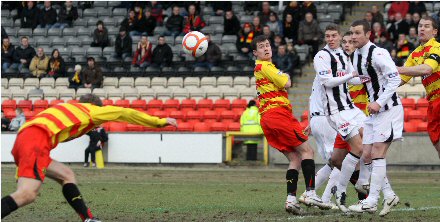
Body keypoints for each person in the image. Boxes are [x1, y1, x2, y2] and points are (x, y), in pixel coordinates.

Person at [1, 93, 178, 221]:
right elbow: (124, 113)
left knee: (66, 175)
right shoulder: (92, 111)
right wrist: (158, 121)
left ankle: (88, 219)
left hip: (24, 138)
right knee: (27, 194)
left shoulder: (64, 107)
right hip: (36, 140)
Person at [252, 35, 330, 214]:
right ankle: (310, 192)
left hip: (268, 118)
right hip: (277, 115)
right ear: (255, 53)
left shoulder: (262, 68)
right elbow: (287, 82)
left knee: (295, 158)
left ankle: (291, 200)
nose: (266, 48)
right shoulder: (265, 66)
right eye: (261, 47)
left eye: (267, 45)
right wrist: (285, 75)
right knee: (307, 151)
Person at [347, 19, 402, 216]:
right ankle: (389, 195)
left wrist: (379, 101)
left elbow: (395, 77)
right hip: (374, 113)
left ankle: (370, 201)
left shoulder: (378, 53)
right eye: (352, 33)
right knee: (367, 154)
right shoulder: (357, 56)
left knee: (377, 152)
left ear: (368, 34)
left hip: (388, 109)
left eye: (357, 33)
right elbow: (360, 79)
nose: (353, 36)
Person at [312, 24, 369, 213]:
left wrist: (368, 77)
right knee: (357, 149)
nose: (331, 39)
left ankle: (360, 188)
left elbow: (353, 79)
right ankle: (342, 192)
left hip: (350, 109)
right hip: (336, 113)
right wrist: (349, 76)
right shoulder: (321, 57)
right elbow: (327, 81)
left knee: (368, 142)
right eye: (327, 36)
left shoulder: (343, 56)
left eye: (334, 36)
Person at [397, 16, 440, 159]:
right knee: (436, 142)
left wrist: (398, 69)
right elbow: (400, 80)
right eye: (420, 26)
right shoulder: (414, 54)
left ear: (434, 31)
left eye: (426, 26)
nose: (422, 28)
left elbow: (427, 69)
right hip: (433, 102)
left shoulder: (437, 47)